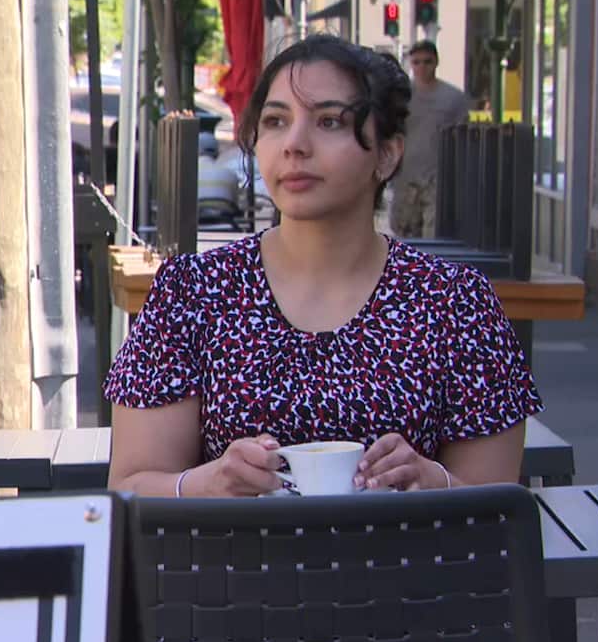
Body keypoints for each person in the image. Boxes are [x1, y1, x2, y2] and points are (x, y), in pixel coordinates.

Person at [104, 34, 543, 497]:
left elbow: (496, 509)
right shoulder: (192, 292)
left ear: (388, 154)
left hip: (407, 565)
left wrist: (436, 481)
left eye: (329, 121)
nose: (294, 144)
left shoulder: (456, 302)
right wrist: (205, 483)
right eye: (275, 121)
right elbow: (129, 489)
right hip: (232, 565)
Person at [388, 40, 470, 239]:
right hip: (405, 177)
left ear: (436, 62)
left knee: (433, 237)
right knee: (405, 234)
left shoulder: (454, 99)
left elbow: (462, 137)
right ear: (410, 64)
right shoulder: (400, 96)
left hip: (437, 178)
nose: (422, 67)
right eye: (416, 62)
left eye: (427, 62)